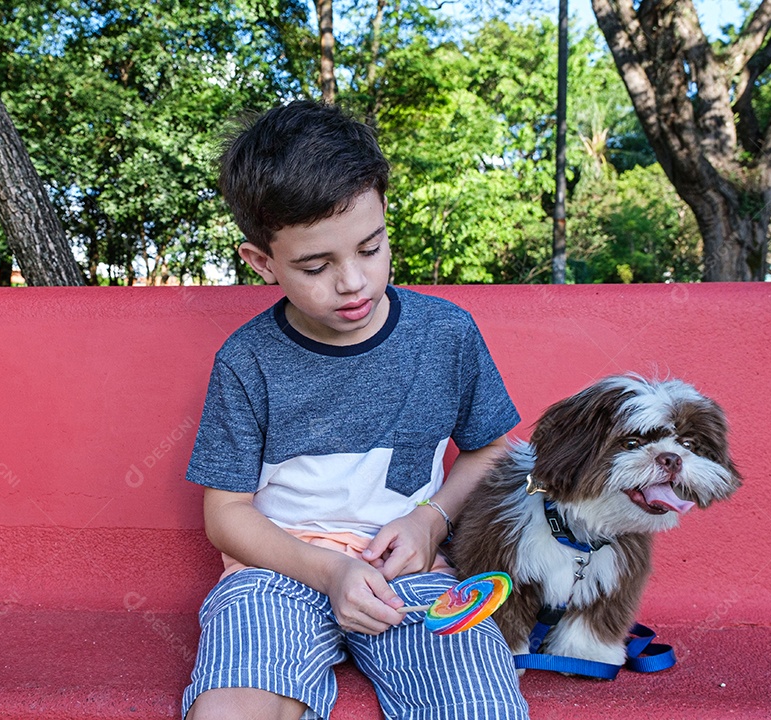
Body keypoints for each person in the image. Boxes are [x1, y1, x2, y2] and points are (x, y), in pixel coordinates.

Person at [182, 100, 529, 720]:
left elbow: (492, 449)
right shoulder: (247, 360)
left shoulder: (444, 334)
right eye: (316, 266)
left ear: (385, 218)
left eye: (370, 249)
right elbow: (225, 515)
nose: (353, 283)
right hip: (279, 573)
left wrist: (431, 521)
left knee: (478, 704)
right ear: (262, 262)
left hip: (414, 577)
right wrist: (327, 571)